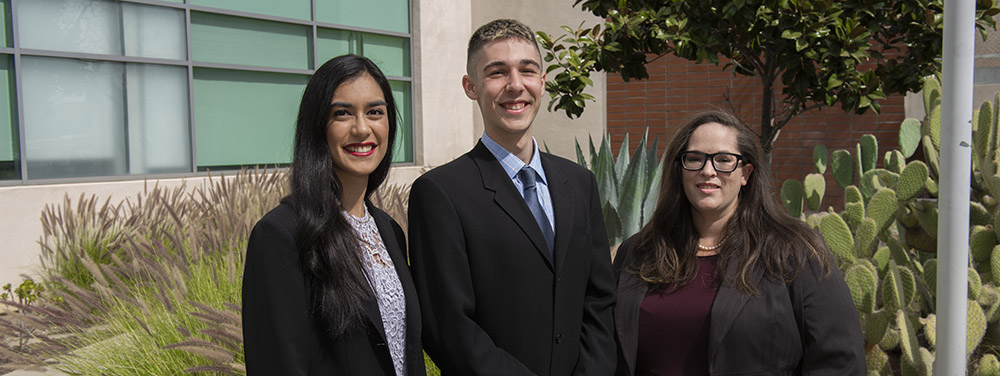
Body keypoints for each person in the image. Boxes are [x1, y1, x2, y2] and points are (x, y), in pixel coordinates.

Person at [408, 18, 616, 375]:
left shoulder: (579, 182)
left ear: (543, 82)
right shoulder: (441, 193)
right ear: (471, 86)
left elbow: (599, 299)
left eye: (527, 70)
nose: (515, 85)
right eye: (497, 72)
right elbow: (449, 326)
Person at [613, 110, 865, 375]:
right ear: (680, 169)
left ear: (745, 173)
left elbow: (841, 362)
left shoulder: (794, 251)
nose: (708, 171)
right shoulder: (639, 252)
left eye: (723, 160)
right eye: (695, 159)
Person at [242, 54, 424, 376]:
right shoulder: (281, 235)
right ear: (318, 126)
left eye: (375, 112)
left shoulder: (389, 230)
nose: (362, 128)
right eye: (342, 113)